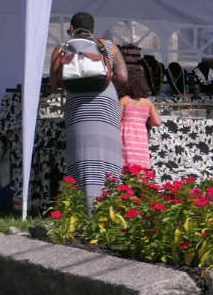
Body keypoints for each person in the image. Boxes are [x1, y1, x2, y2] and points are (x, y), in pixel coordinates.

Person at [48, 11, 126, 209]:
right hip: (104, 103)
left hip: (78, 105)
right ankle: (109, 205)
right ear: (93, 29)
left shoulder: (61, 49)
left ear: (71, 29)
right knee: (107, 153)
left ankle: (85, 206)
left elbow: (54, 82)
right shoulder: (107, 46)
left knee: (82, 154)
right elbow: (123, 77)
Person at [117, 64, 163, 177]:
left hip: (125, 138)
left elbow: (115, 119)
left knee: (125, 169)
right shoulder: (147, 102)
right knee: (140, 170)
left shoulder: (124, 100)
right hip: (140, 139)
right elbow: (157, 122)